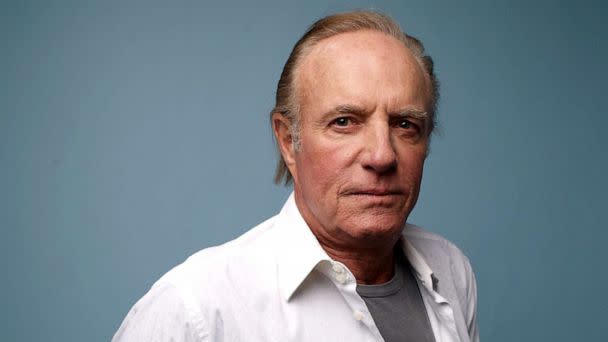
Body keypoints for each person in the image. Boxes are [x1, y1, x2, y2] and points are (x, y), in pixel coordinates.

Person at [113, 10, 479, 342]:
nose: (382, 155)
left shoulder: (449, 269)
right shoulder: (198, 311)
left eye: (405, 124)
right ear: (289, 141)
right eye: (344, 122)